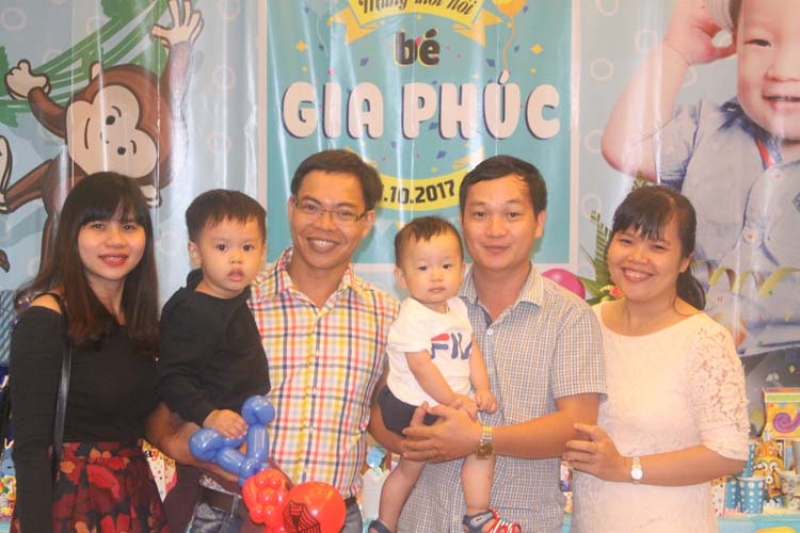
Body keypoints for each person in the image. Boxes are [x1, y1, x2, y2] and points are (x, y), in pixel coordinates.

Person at [147, 149, 399, 533]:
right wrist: (191, 449)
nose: (325, 224)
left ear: (367, 222)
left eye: (344, 213)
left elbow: (382, 418)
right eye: (311, 207)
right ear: (291, 208)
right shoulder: (227, 300)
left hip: (334, 519)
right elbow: (163, 411)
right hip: (233, 515)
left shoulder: (387, 314)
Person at [369, 155, 606, 532]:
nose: (495, 230)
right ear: (462, 222)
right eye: (480, 214)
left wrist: (480, 439)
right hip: (422, 522)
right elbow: (382, 412)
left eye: (512, 214)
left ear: (539, 222)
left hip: (520, 522)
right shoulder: (422, 307)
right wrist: (416, 443)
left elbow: (576, 426)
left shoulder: (570, 316)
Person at [601, 0, 800, 424]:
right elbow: (624, 147)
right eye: (761, 42)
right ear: (736, 44)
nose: (784, 69)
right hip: (690, 355)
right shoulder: (707, 127)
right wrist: (676, 50)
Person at [564, 185, 750, 532]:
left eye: (657, 247)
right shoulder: (586, 323)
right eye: (626, 240)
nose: (637, 257)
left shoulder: (705, 340)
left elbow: (728, 452)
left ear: (684, 260)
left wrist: (625, 467)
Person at [9, 172, 168, 532]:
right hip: (71, 505)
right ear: (71, 234)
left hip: (134, 499)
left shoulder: (142, 324)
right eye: (98, 225)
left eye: (129, 226)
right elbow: (31, 450)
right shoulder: (47, 319)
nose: (116, 240)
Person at [368, 216, 519, 533]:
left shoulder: (457, 309)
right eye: (423, 268)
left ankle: (385, 525)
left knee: (416, 466)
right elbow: (421, 367)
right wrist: (453, 401)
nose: (436, 276)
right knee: (478, 447)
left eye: (446, 266)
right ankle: (475, 516)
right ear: (402, 277)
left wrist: (482, 388)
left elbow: (470, 348)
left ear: (462, 270)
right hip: (413, 404)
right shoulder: (411, 316)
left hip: (440, 403)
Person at [157, 189, 271, 532]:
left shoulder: (235, 298)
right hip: (208, 432)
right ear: (195, 252)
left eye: (247, 248)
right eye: (222, 248)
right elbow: (171, 377)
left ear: (263, 252)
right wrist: (208, 414)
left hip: (243, 422)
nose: (236, 259)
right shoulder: (189, 309)